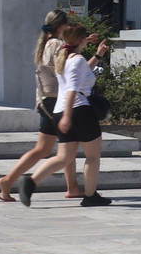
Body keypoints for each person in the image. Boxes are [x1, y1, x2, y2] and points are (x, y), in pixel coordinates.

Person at [0, 11, 99, 201]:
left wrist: (82, 42)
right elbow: (75, 71)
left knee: (54, 149)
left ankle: (69, 186)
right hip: (59, 102)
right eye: (68, 25)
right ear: (61, 27)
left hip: (46, 101)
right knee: (58, 149)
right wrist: (90, 52)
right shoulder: (58, 45)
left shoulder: (45, 43)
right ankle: (10, 181)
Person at [19, 24, 112, 207]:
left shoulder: (66, 58)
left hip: (59, 110)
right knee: (93, 156)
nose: (88, 38)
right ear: (80, 40)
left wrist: (98, 55)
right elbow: (72, 89)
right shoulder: (76, 60)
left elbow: (83, 72)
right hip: (79, 111)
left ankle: (31, 182)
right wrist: (68, 116)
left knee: (64, 157)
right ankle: (91, 196)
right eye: (85, 36)